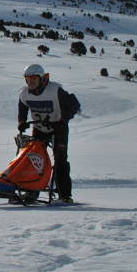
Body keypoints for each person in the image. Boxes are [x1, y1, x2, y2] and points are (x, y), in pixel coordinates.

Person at [17, 63, 80, 203]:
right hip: (39, 128)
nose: (30, 81)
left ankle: (64, 195)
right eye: (27, 78)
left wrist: (63, 120)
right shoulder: (24, 93)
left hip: (59, 129)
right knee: (34, 160)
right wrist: (21, 121)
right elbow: (22, 107)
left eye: (33, 78)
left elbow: (74, 105)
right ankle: (32, 192)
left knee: (60, 161)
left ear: (41, 78)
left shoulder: (54, 90)